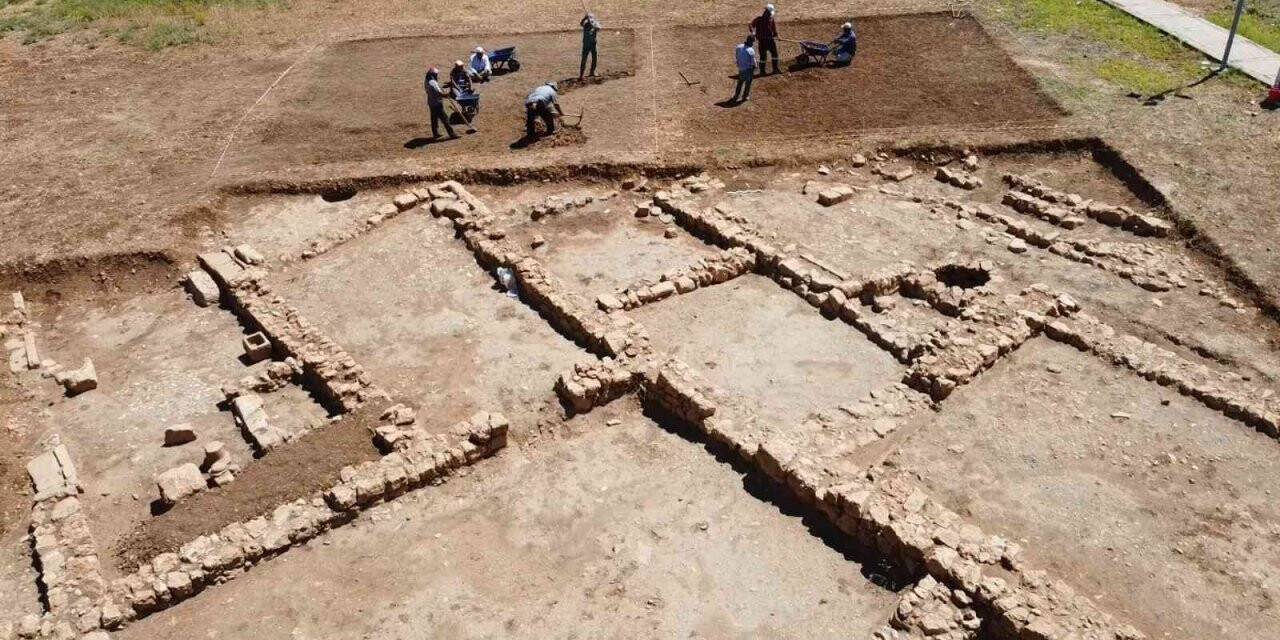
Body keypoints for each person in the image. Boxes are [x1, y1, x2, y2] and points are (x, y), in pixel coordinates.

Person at [423, 66, 457, 139]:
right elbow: (439, 93)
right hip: (437, 103)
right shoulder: (433, 82)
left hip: (431, 102)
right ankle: (452, 134)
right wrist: (448, 94)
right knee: (445, 119)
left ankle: (435, 133)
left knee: (434, 119)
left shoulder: (426, 80)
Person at [750, 4, 780, 75]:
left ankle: (775, 69)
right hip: (762, 41)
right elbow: (751, 25)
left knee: (774, 54)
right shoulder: (759, 19)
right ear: (766, 12)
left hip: (770, 40)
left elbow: (774, 29)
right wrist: (753, 32)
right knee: (763, 56)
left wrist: (777, 36)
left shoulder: (771, 19)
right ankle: (762, 71)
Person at [733, 36, 757, 103]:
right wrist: (755, 67)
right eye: (753, 42)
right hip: (748, 69)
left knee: (740, 83)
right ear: (751, 42)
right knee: (748, 83)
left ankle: (736, 95)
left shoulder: (738, 46)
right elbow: (753, 62)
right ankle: (745, 96)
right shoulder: (751, 50)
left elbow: (737, 56)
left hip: (741, 68)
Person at [580, 13, 601, 80]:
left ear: (593, 18)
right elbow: (581, 23)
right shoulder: (586, 24)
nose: (590, 20)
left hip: (593, 44)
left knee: (595, 58)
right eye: (589, 18)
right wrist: (584, 18)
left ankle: (592, 72)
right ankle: (581, 75)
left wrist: (592, 25)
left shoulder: (595, 23)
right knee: (584, 59)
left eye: (591, 18)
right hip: (586, 44)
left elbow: (598, 28)